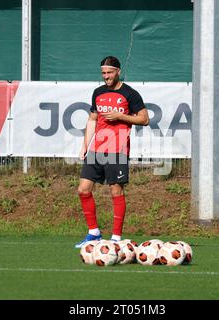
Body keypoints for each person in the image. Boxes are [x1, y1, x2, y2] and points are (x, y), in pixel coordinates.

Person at [75, 56, 149, 248]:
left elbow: (144, 119)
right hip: (96, 148)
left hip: (117, 148)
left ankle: (116, 238)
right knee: (83, 190)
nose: (106, 77)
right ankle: (94, 233)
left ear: (118, 72)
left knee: (115, 191)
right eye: (103, 73)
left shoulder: (130, 94)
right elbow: (92, 120)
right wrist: (85, 144)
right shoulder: (98, 93)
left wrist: (120, 116)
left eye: (109, 73)